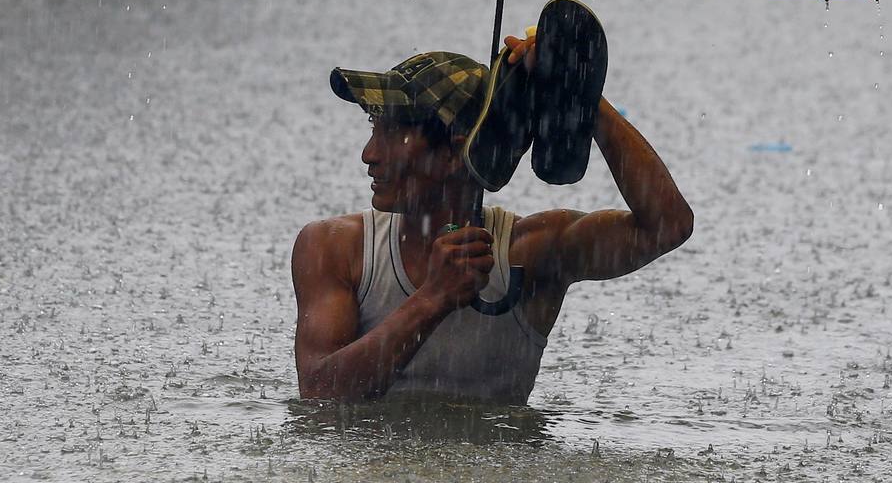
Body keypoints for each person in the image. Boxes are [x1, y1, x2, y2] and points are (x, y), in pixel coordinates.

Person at [291, 31, 693, 404]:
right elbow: (319, 393)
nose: (369, 153)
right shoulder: (333, 248)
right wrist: (434, 297)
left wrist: (579, 90)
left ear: (454, 153)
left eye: (393, 134)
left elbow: (667, 226)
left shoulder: (531, 253)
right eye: (373, 128)